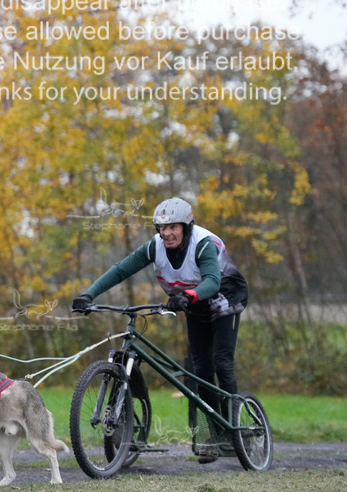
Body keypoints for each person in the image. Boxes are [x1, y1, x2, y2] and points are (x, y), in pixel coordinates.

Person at [71, 197, 249, 463]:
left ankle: (235, 433)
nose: (166, 233)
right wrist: (89, 294)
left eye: (173, 227)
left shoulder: (202, 245)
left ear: (186, 226)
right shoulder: (155, 247)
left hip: (225, 300)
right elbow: (121, 270)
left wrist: (188, 296)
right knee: (201, 371)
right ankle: (214, 433)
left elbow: (212, 281)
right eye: (161, 228)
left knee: (221, 364)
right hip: (193, 304)